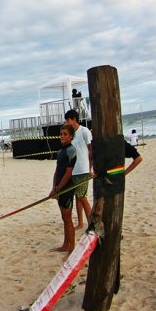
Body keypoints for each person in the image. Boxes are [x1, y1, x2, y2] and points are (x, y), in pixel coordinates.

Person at [50, 124, 77, 254]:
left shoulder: (71, 150)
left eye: (65, 134)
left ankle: (71, 248)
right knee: (63, 217)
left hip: (67, 188)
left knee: (68, 218)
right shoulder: (60, 151)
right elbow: (57, 171)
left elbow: (68, 173)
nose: (62, 136)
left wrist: (59, 188)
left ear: (71, 136)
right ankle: (65, 245)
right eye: (61, 134)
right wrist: (53, 187)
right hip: (59, 188)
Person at [64, 109, 92, 230]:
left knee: (82, 197)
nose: (66, 122)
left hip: (83, 169)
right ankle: (80, 223)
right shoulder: (71, 134)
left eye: (68, 120)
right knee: (77, 196)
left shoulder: (84, 131)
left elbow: (92, 150)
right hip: (73, 170)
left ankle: (92, 223)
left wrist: (91, 168)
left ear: (74, 119)